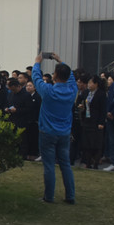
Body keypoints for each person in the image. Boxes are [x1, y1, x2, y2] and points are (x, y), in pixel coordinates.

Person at [32, 52, 78, 204]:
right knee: (65, 164)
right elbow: (71, 77)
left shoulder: (48, 91)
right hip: (64, 133)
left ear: (55, 75)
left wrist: (37, 62)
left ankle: (49, 196)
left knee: (49, 165)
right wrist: (60, 61)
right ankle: (70, 196)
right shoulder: (72, 90)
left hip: (47, 132)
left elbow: (36, 78)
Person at [79, 75, 107, 169]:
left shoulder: (101, 94)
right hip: (87, 119)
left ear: (96, 84)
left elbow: (103, 109)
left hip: (96, 121)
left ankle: (95, 162)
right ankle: (87, 162)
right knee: (86, 142)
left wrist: (101, 122)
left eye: (91, 83)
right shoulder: (86, 92)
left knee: (95, 142)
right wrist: (81, 107)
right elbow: (80, 101)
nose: (89, 85)